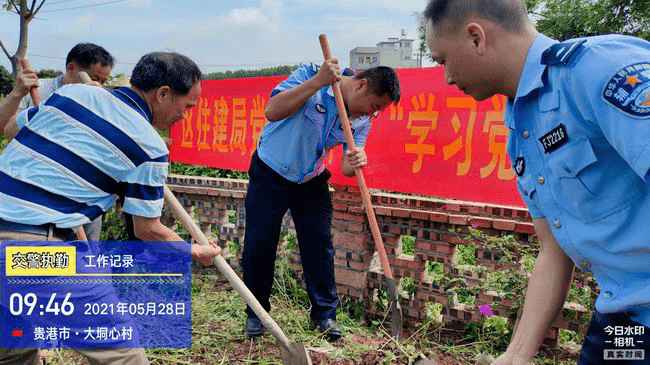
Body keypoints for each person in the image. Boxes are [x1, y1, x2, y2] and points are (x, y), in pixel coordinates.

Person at [423, 0, 650, 364]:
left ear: (476, 38)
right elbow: (554, 248)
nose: (447, 77)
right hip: (622, 318)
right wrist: (517, 354)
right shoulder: (521, 124)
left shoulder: (598, 69)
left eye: (442, 60)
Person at [0, 51, 221, 365]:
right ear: (162, 94)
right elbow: (148, 230)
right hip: (32, 250)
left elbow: (12, 130)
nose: (184, 116)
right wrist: (194, 252)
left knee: (15, 353)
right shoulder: (149, 146)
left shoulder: (69, 95)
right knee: (122, 355)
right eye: (187, 106)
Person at [241, 61, 400, 340]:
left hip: (310, 178)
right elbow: (272, 111)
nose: (373, 113)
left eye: (379, 111)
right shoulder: (310, 74)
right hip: (270, 172)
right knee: (260, 244)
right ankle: (257, 313)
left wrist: (356, 160)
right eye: (374, 105)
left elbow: (348, 170)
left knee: (319, 246)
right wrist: (318, 81)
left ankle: (324, 315)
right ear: (362, 85)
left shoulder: (361, 120)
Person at [0, 42, 115, 241]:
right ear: (71, 69)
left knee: (87, 260)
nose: (99, 86)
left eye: (104, 81)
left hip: (81, 199)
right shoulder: (38, 89)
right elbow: (6, 130)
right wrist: (17, 93)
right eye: (94, 78)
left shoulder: (100, 101)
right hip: (31, 198)